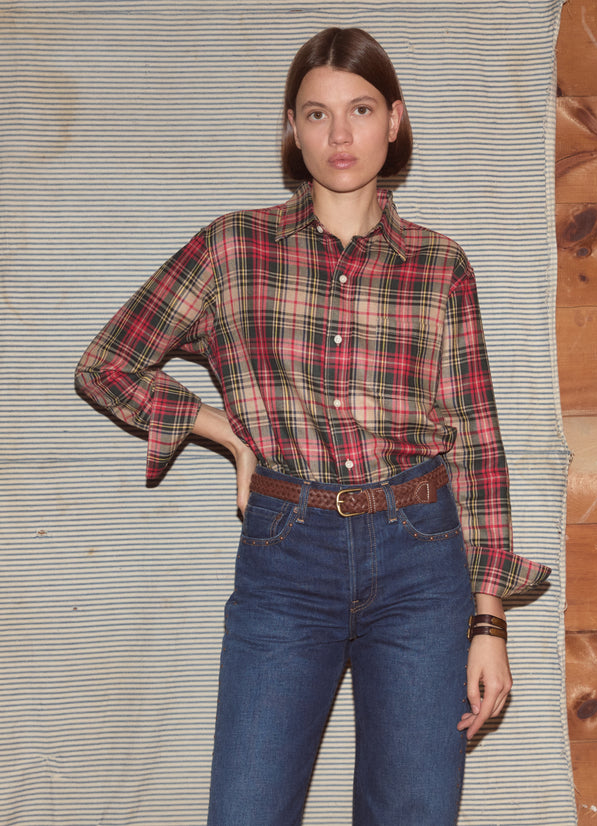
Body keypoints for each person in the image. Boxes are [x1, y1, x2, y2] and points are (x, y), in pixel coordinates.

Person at [75, 26, 550, 826]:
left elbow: (475, 440)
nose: (340, 135)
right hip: (287, 553)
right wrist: (215, 428)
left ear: (394, 121)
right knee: (248, 810)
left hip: (421, 556)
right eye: (317, 113)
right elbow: (107, 363)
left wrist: (488, 618)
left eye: (360, 110)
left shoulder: (439, 266)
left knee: (414, 811)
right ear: (291, 128)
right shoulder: (233, 249)